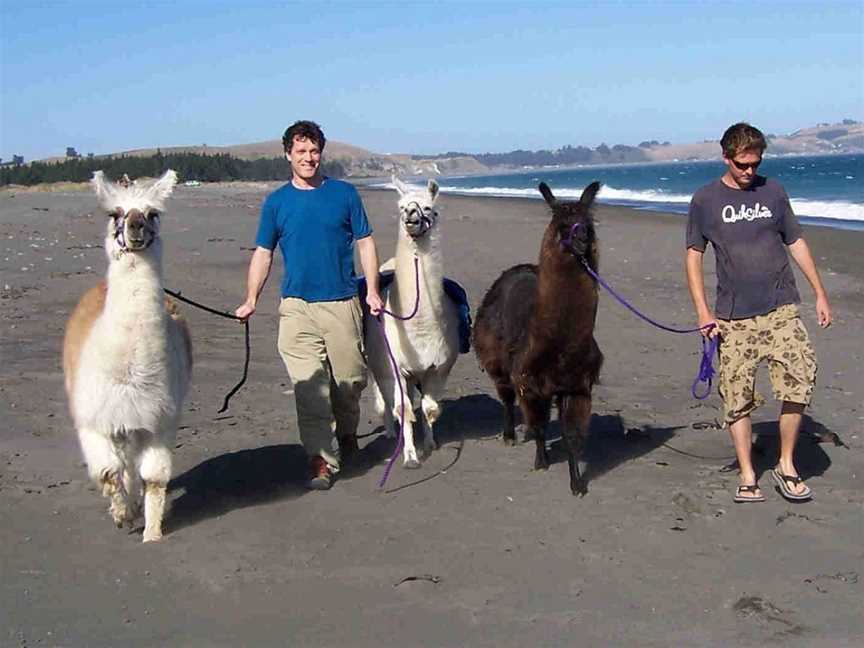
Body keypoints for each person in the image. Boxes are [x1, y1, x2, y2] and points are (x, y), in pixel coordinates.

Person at [685, 122, 832, 503]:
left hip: (782, 308)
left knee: (800, 379)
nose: (750, 171)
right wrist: (703, 311)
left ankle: (786, 464)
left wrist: (819, 292)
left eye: (755, 164)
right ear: (726, 158)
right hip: (733, 318)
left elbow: (796, 240)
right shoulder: (705, 200)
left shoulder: (774, 191)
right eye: (742, 165)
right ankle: (748, 474)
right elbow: (694, 256)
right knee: (736, 396)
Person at [235, 120, 383, 490]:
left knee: (348, 381)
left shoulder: (345, 195)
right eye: (300, 151)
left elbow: (365, 242)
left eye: (314, 151)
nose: (308, 158)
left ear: (322, 153)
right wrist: (251, 299)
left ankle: (348, 434)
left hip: (342, 302)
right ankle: (321, 460)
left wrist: (374, 291)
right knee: (309, 387)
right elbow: (264, 253)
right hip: (296, 308)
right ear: (288, 155)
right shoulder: (277, 203)